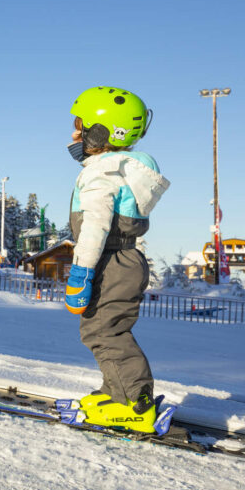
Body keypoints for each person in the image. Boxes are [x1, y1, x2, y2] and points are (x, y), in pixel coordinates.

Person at [63, 86, 170, 433]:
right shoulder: (121, 170)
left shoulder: (102, 172)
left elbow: (95, 226)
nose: (74, 135)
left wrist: (80, 272)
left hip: (109, 260)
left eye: (80, 128)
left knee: (105, 331)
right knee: (102, 328)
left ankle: (134, 404)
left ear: (101, 131)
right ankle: (116, 391)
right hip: (125, 258)